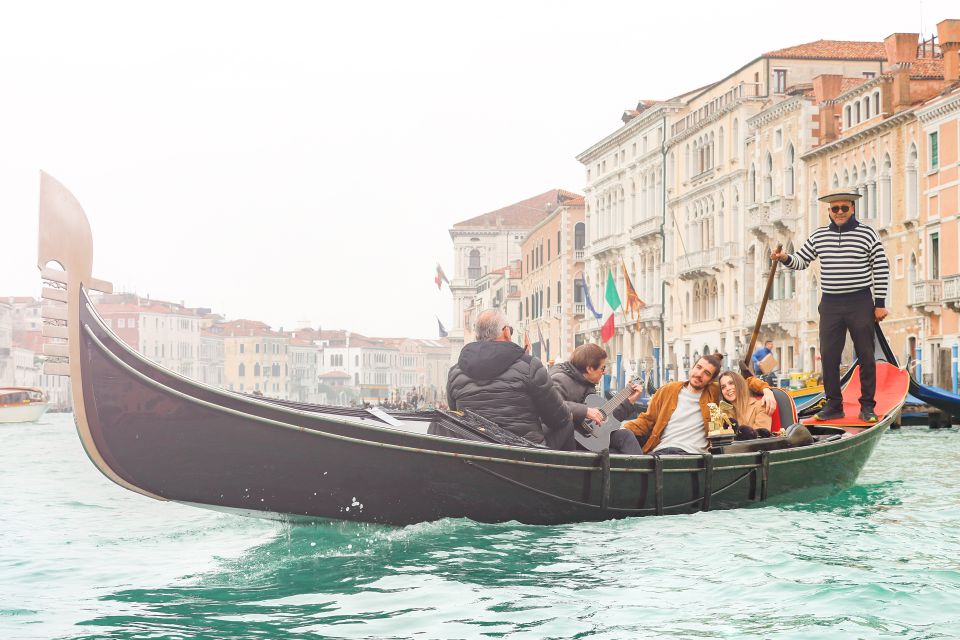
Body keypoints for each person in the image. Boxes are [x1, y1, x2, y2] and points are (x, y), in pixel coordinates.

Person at [772, 191, 889, 423]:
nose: (839, 213)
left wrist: (880, 304)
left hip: (860, 301)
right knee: (828, 355)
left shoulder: (867, 233)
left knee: (865, 354)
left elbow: (881, 267)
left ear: (852, 209)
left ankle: (867, 407)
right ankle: (834, 405)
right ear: (829, 211)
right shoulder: (819, 236)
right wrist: (785, 257)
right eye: (834, 209)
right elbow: (801, 261)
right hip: (830, 303)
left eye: (844, 208)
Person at [446, 308, 573, 449]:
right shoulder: (530, 366)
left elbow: (454, 414)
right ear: (506, 331)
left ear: (477, 335)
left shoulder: (455, 372)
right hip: (524, 454)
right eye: (510, 330)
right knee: (567, 421)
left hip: (475, 452)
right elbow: (557, 417)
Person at [622, 354, 776, 455]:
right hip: (660, 452)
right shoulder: (668, 390)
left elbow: (742, 382)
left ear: (711, 380)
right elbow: (647, 421)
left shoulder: (714, 392)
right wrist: (621, 429)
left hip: (690, 455)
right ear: (692, 367)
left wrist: (766, 389)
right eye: (698, 368)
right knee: (616, 440)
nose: (699, 374)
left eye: (707, 373)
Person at [550, 343, 644, 454]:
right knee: (613, 454)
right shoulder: (559, 379)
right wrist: (586, 411)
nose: (604, 372)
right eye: (602, 368)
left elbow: (604, 420)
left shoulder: (587, 383)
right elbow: (551, 407)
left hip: (587, 439)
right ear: (589, 368)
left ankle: (641, 471)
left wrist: (629, 401)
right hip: (567, 443)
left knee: (625, 436)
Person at [718, 370, 772, 438]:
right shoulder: (723, 413)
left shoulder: (761, 405)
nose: (727, 388)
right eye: (723, 387)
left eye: (731, 383)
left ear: (739, 384)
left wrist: (767, 390)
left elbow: (761, 439)